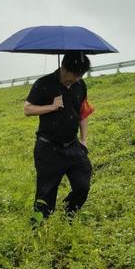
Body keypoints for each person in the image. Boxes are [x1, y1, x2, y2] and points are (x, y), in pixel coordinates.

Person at [24, 52, 94, 220]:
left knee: (82, 185)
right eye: (74, 75)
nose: (77, 79)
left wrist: (83, 141)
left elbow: (83, 114)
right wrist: (52, 106)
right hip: (48, 148)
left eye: (80, 75)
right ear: (63, 68)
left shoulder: (80, 85)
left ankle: (68, 216)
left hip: (73, 146)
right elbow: (27, 109)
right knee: (45, 194)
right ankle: (38, 228)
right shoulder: (44, 84)